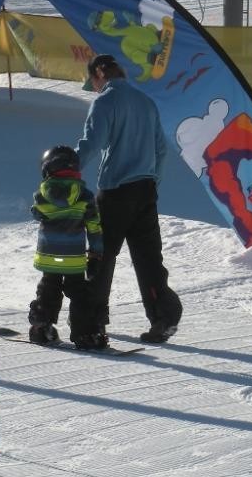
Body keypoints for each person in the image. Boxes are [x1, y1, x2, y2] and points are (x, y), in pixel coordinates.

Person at [76, 54, 182, 344]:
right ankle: (163, 316)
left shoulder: (105, 102)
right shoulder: (145, 101)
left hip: (115, 191)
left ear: (99, 75)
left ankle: (93, 323)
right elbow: (161, 150)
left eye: (93, 82)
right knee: (148, 258)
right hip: (146, 190)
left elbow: (93, 142)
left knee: (101, 258)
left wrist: (67, 169)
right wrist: (153, 181)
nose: (94, 89)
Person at [27, 145, 107, 350]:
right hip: (73, 257)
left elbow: (36, 213)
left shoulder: (41, 195)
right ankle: (85, 334)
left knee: (49, 287)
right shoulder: (85, 195)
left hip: (48, 255)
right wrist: (96, 253)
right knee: (79, 292)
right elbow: (94, 226)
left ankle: (41, 327)